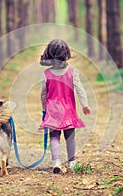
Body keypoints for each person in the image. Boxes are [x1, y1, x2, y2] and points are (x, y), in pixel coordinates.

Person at [39, 39, 91, 174]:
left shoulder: (46, 74)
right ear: (66, 53)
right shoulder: (72, 72)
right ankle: (71, 162)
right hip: (68, 111)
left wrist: (44, 109)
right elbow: (80, 90)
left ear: (49, 54)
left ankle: (56, 162)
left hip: (53, 111)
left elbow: (43, 94)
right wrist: (85, 105)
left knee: (54, 137)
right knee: (70, 137)